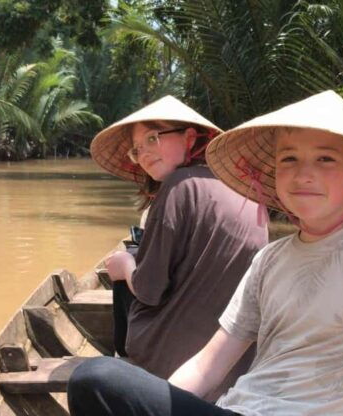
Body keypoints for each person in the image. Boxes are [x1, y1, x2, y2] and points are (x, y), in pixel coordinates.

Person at [69, 90, 343, 415]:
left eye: (325, 159)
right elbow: (208, 367)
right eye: (289, 159)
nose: (303, 173)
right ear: (274, 172)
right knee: (107, 387)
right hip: (239, 408)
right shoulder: (270, 260)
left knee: (96, 379)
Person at [89, 96, 268, 398]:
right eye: (137, 149)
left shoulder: (179, 186)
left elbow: (148, 290)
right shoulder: (244, 185)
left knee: (124, 263)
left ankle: (125, 359)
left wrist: (125, 268)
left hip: (176, 358)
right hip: (237, 359)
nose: (144, 152)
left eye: (152, 138)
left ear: (189, 137)